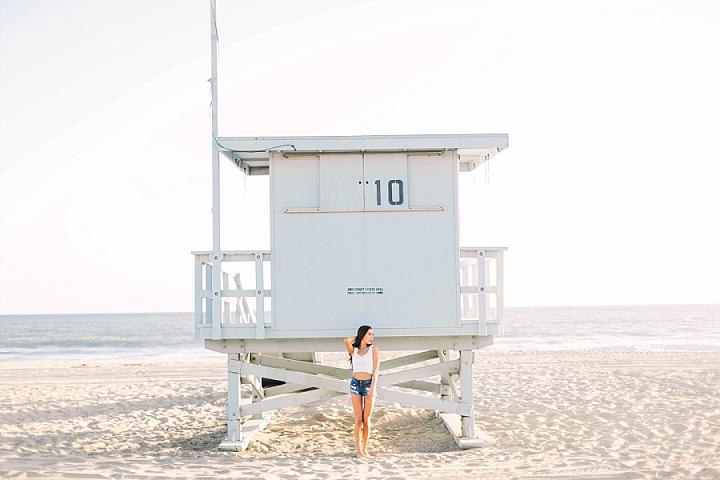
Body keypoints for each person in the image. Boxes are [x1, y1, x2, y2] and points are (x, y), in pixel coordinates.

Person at [344, 325, 379, 458]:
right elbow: (346, 340)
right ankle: (359, 451)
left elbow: (376, 370)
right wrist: (358, 337)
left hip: (368, 385)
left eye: (372, 334)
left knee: (366, 420)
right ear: (363, 335)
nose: (371, 337)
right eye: (369, 334)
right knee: (358, 420)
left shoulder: (373, 349)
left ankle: (365, 450)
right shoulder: (355, 350)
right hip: (355, 384)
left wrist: (372, 388)